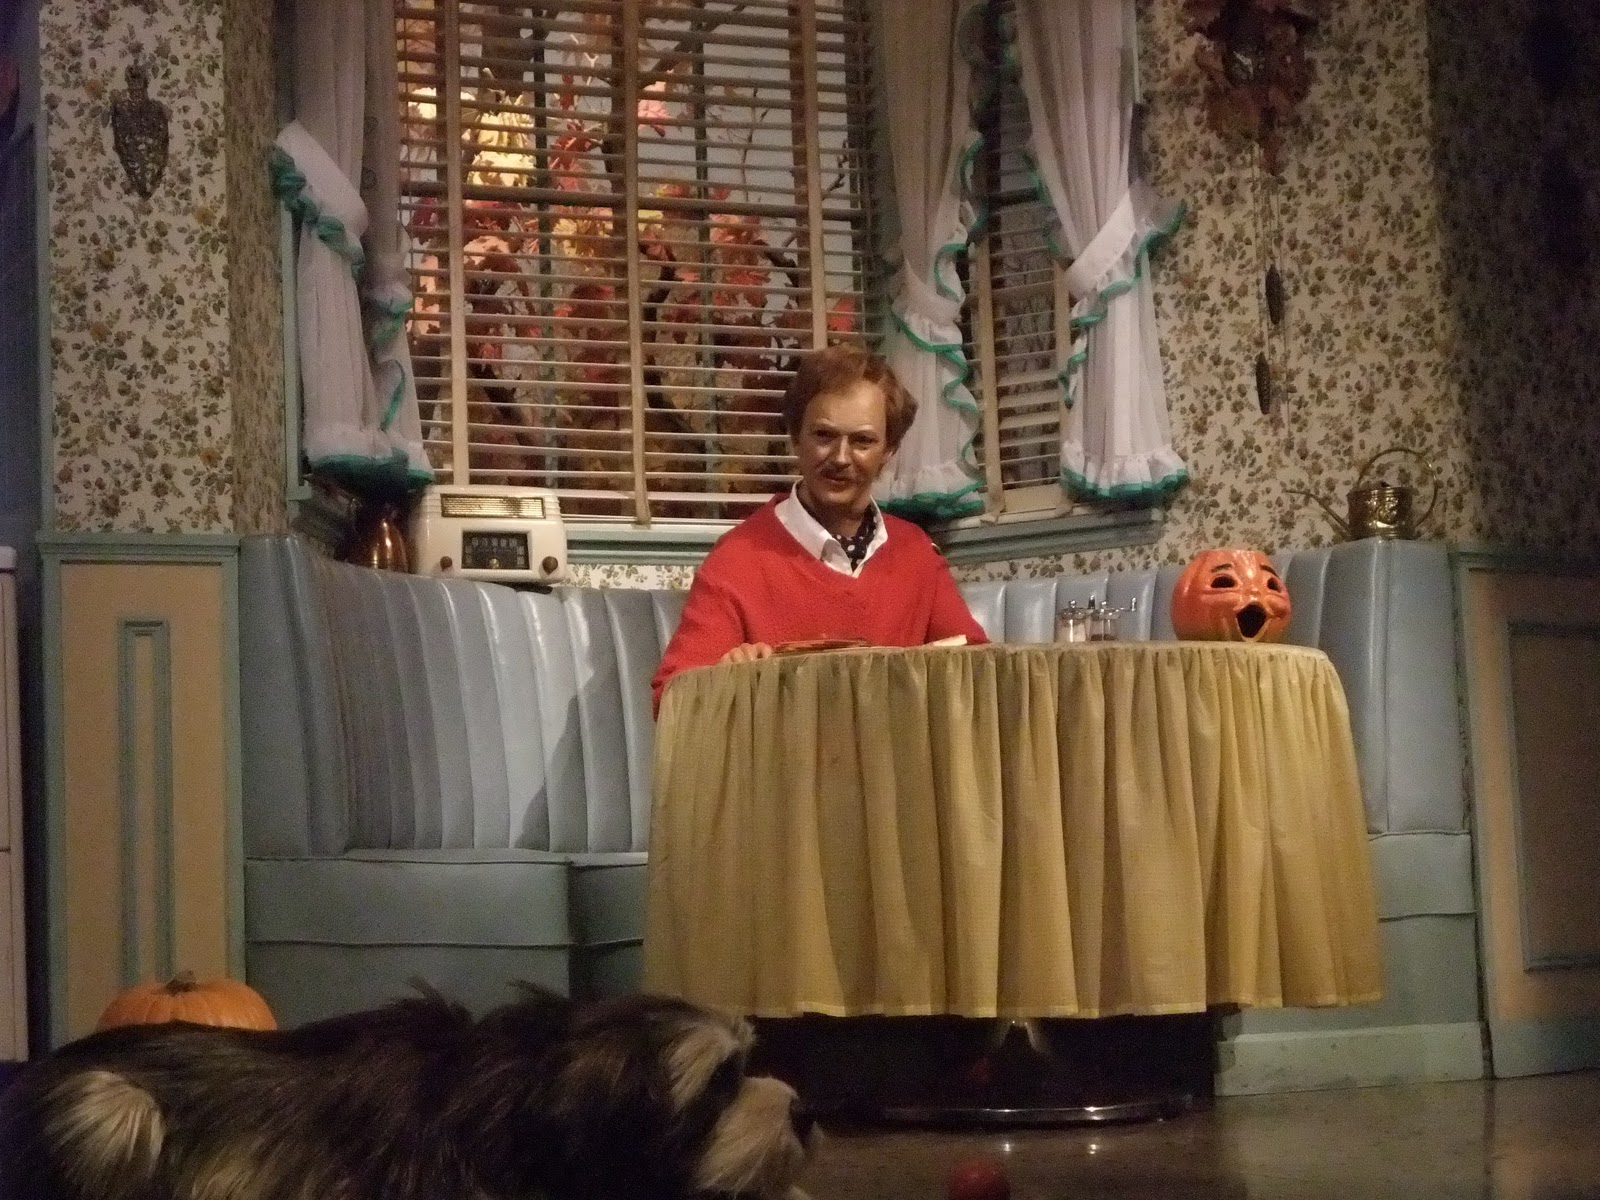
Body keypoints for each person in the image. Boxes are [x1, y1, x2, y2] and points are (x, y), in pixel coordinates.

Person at [651, 343, 988, 713]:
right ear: (796, 438)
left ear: (889, 451)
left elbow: (977, 670)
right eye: (824, 435)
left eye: (862, 441)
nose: (841, 458)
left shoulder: (915, 553)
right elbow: (670, 700)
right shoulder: (737, 560)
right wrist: (725, 679)